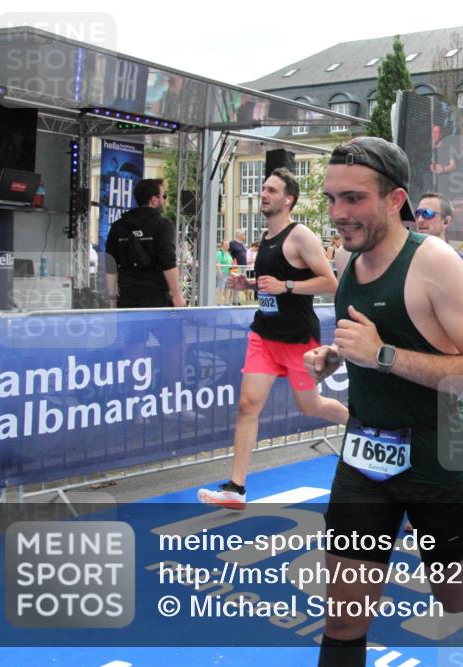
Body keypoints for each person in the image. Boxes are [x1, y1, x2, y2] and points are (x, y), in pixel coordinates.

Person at [304, 136, 463, 666]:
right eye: (332, 198)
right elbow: (380, 337)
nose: (338, 213)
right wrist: (337, 354)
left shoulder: (434, 262)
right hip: (365, 457)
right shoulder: (349, 256)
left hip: (442, 456)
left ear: (395, 200)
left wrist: (382, 355)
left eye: (354, 198)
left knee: (458, 598)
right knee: (344, 618)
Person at [197, 168, 348, 510]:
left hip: (298, 340)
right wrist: (247, 285)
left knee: (311, 406)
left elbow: (330, 283)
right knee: (247, 405)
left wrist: (287, 286)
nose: (263, 194)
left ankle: (360, 425)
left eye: (271, 190)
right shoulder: (265, 237)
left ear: (288, 199)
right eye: (263, 189)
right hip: (264, 335)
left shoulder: (300, 236)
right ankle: (236, 488)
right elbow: (271, 287)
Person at [104, 178, 186, 308]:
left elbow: (111, 265)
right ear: (154, 200)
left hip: (127, 299)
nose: (165, 200)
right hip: (156, 301)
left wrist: (112, 300)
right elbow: (168, 262)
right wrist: (177, 296)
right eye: (164, 196)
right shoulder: (162, 225)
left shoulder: (118, 226)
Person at [414, 191, 463, 285]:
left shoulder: (461, 262)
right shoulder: (406, 258)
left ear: (446, 222)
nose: (420, 220)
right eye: (417, 213)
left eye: (427, 213)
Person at [215, 239, 233, 305]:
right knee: (220, 288)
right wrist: (220, 272)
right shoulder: (219, 253)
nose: (227, 245)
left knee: (228, 288)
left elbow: (231, 263)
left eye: (228, 244)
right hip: (222, 272)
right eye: (225, 244)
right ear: (222, 245)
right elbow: (218, 263)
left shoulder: (228, 253)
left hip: (229, 273)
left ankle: (227, 303)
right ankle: (218, 303)